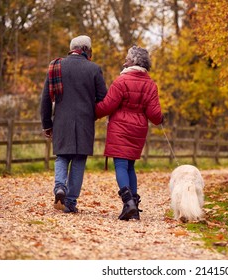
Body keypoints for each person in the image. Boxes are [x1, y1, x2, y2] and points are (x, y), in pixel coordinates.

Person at [95, 46, 163, 221]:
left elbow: (108, 105)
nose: (124, 61)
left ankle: (128, 203)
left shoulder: (121, 81)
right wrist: (161, 119)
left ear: (134, 61)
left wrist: (91, 113)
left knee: (120, 165)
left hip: (120, 127)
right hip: (138, 129)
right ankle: (134, 205)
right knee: (130, 166)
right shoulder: (150, 84)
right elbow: (154, 114)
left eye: (127, 58)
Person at [40, 35, 107, 213]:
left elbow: (46, 99)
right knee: (78, 160)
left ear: (72, 48)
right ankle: (70, 203)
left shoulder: (56, 66)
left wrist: (47, 124)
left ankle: (60, 187)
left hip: (61, 122)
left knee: (62, 156)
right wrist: (92, 114)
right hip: (84, 123)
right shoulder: (94, 69)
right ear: (87, 50)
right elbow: (104, 100)